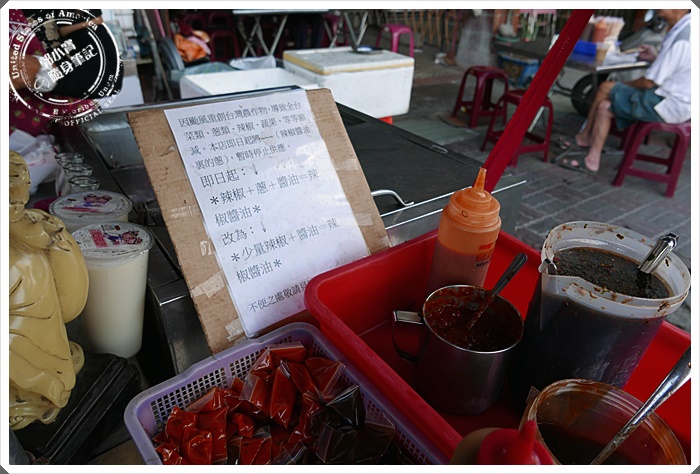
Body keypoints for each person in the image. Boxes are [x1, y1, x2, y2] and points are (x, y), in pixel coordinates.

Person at [9, 152, 89, 430]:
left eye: (20, 191)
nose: (16, 202)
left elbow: (69, 298)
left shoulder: (35, 226)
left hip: (44, 332)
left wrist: (57, 242)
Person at [560, 9, 691, 174]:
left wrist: (622, 85)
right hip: (677, 101)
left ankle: (584, 137)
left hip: (666, 104)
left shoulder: (683, 37)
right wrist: (655, 57)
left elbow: (648, 82)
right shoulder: (687, 27)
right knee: (604, 107)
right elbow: (676, 64)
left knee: (606, 88)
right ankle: (592, 159)